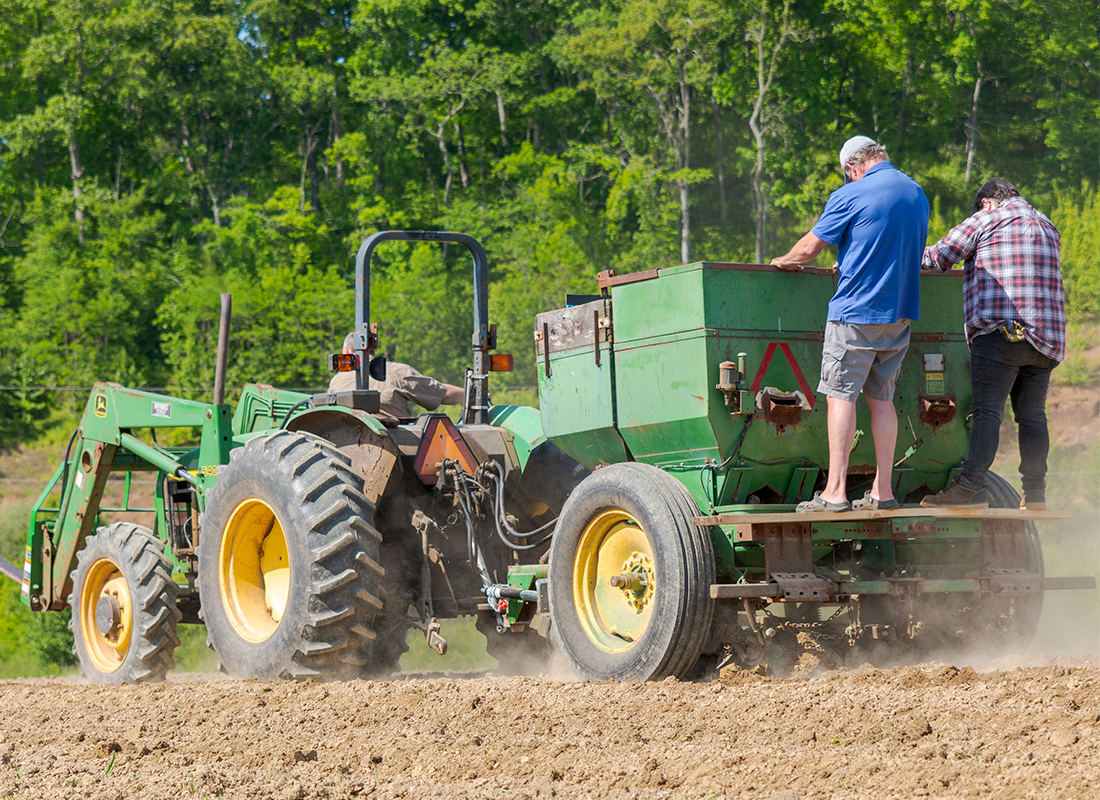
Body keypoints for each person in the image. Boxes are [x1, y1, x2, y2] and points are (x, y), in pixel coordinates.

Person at [771, 135, 929, 512]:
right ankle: (883, 491)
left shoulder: (851, 194)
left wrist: (785, 260)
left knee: (841, 396)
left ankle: (836, 492)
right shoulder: (916, 193)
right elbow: (890, 244)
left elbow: (808, 249)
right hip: (900, 314)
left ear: (852, 168)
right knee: (883, 401)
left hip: (856, 313)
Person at [920, 179, 1064, 510]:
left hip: (1001, 331)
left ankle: (970, 487)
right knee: (1031, 416)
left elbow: (938, 257)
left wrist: (887, 259)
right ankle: (1036, 492)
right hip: (1046, 338)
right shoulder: (1048, 225)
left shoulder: (987, 219)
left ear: (986, 202)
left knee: (987, 412)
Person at [328, 332, 465, 419]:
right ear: (373, 350)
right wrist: (472, 395)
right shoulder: (398, 372)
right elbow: (443, 395)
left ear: (345, 351)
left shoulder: (335, 382)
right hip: (396, 450)